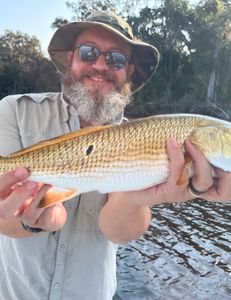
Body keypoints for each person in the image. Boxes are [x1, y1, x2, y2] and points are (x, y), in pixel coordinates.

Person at [0, 10, 230, 300]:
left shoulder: (146, 138)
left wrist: (151, 195)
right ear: (71, 57)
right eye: (88, 52)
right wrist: (30, 220)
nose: (100, 65)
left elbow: (118, 232)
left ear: (129, 70)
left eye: (116, 59)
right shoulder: (14, 110)